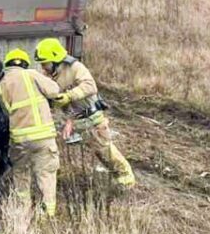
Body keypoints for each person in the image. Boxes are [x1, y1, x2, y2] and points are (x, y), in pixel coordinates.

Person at [34, 38, 135, 188]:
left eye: (45, 63)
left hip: (91, 117)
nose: (43, 67)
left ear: (56, 60)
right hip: (74, 120)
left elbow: (90, 86)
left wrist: (69, 96)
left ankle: (126, 180)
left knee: (104, 151)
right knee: (54, 148)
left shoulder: (75, 67)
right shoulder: (51, 75)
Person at [0, 48, 65, 218]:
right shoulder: (32, 74)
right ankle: (47, 214)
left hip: (19, 138)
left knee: (21, 173)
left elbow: (5, 111)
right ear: (25, 63)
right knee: (46, 173)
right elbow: (55, 90)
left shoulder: (2, 84)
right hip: (42, 136)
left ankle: (23, 209)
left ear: (8, 65)